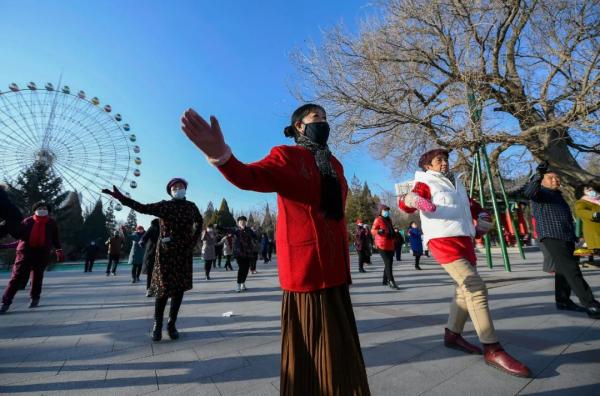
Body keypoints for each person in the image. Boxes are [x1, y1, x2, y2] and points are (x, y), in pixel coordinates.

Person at [181, 104, 370, 395]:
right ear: (299, 126)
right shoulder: (287, 156)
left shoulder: (335, 164)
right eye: (315, 117)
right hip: (307, 270)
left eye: (325, 117)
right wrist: (221, 156)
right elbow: (248, 176)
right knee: (312, 346)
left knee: (342, 348)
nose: (323, 121)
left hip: (336, 268)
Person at [399, 148, 531, 377]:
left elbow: (471, 205)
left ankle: (452, 334)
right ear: (427, 166)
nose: (444, 163)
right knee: (475, 287)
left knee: (463, 290)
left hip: (464, 239)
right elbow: (408, 203)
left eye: (445, 159)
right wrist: (412, 200)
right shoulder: (425, 182)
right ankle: (492, 347)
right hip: (443, 240)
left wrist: (482, 216)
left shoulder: (455, 183)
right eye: (439, 160)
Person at [102, 177, 203, 341]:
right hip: (166, 252)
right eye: (175, 187)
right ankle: (157, 325)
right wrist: (121, 198)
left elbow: (199, 221)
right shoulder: (165, 206)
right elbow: (141, 207)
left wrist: (193, 241)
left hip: (183, 253)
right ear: (170, 190)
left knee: (179, 289)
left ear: (185, 189)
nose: (178, 189)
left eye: (181, 186)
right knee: (162, 289)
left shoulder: (191, 207)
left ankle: (171, 325)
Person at [524, 162, 600, 319]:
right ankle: (590, 304)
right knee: (572, 270)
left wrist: (575, 237)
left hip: (566, 236)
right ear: (542, 181)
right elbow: (529, 192)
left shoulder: (558, 195)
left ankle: (563, 300)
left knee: (563, 270)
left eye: (557, 178)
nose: (555, 180)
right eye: (551, 177)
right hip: (552, 236)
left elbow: (565, 219)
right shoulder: (539, 194)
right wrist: (539, 174)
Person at [0, 202, 64, 314]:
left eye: (44, 208)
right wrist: (8, 225)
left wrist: (59, 250)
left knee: (37, 277)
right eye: (40, 208)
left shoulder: (51, 223)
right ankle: (6, 302)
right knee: (16, 278)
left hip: (42, 253)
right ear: (35, 210)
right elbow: (18, 235)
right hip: (25, 252)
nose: (42, 210)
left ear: (48, 211)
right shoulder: (27, 221)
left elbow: (55, 238)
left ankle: (35, 298)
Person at [372, 204, 400, 290]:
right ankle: (391, 281)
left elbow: (390, 230)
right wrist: (378, 231)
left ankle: (384, 280)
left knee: (389, 263)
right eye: (385, 210)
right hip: (381, 244)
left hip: (390, 244)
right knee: (388, 262)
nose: (386, 212)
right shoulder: (378, 219)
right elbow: (372, 230)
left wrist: (394, 234)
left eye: (387, 210)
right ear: (381, 211)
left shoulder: (389, 220)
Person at [574, 184, 600, 265]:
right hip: (594, 231)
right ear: (582, 193)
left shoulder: (598, 201)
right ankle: (576, 255)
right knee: (594, 249)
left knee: (593, 249)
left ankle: (577, 255)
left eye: (592, 189)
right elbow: (580, 211)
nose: (592, 191)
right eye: (588, 190)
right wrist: (593, 214)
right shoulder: (581, 202)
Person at [231, 216, 256, 291]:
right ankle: (238, 285)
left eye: (244, 221)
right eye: (241, 221)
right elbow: (227, 230)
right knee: (241, 268)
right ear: (238, 223)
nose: (243, 223)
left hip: (248, 253)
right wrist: (219, 227)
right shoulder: (236, 230)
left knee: (246, 269)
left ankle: (243, 283)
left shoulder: (249, 230)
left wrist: (254, 234)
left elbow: (255, 236)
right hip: (239, 253)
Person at [141, 219, 160, 297]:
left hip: (154, 252)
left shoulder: (156, 227)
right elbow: (144, 237)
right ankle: (149, 289)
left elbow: (143, 238)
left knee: (153, 272)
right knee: (152, 272)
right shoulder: (153, 227)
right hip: (153, 252)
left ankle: (151, 289)